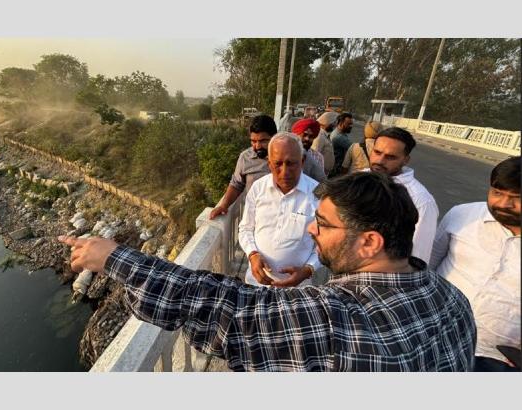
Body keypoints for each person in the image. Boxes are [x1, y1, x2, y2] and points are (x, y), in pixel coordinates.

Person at [58, 172, 476, 372]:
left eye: (323, 224)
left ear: (369, 243)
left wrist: (115, 258)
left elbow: (218, 305)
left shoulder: (336, 319)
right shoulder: (453, 300)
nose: (312, 229)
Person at [430, 156, 521, 372]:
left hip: (496, 358)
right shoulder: (463, 215)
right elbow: (428, 267)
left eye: (517, 198)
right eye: (497, 193)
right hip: (433, 337)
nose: (504, 204)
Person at [238, 132, 320, 287]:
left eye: (291, 163)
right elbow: (245, 228)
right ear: (269, 163)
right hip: (256, 284)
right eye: (278, 164)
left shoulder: (317, 195)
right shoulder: (258, 188)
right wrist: (252, 254)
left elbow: (326, 244)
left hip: (298, 289)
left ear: (302, 162)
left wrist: (308, 269)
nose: (285, 171)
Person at [369, 127, 438, 264]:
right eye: (377, 152)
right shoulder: (358, 179)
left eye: (390, 157)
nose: (380, 161)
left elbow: (417, 257)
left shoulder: (421, 200)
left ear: (406, 160)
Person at [209, 115, 276, 220]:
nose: (257, 146)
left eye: (263, 141)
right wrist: (224, 205)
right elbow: (236, 184)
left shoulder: (287, 157)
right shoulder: (245, 158)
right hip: (254, 218)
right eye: (253, 141)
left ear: (274, 137)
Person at [329, 112, 354, 177]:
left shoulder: (339, 133)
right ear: (340, 123)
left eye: (351, 124)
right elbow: (355, 148)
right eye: (349, 124)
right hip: (336, 171)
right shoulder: (339, 137)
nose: (351, 126)